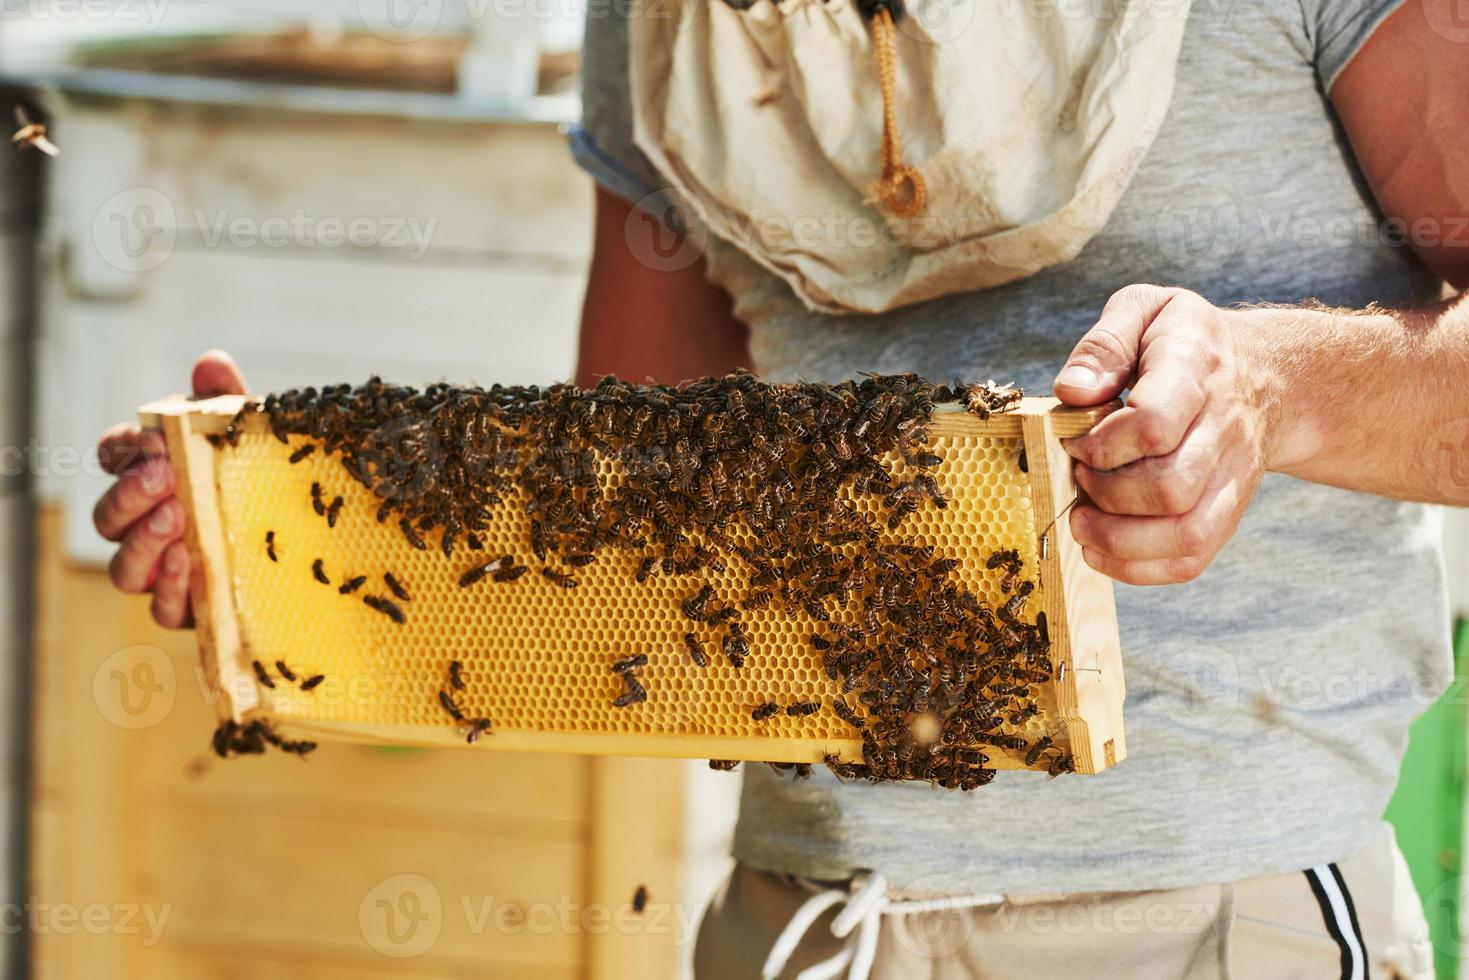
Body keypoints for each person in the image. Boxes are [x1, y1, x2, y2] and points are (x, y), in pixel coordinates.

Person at [94, 0, 1466, 973]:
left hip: (1207, 918)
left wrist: (1273, 385)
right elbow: (631, 521)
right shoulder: (666, 23)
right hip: (806, 914)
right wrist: (286, 546)